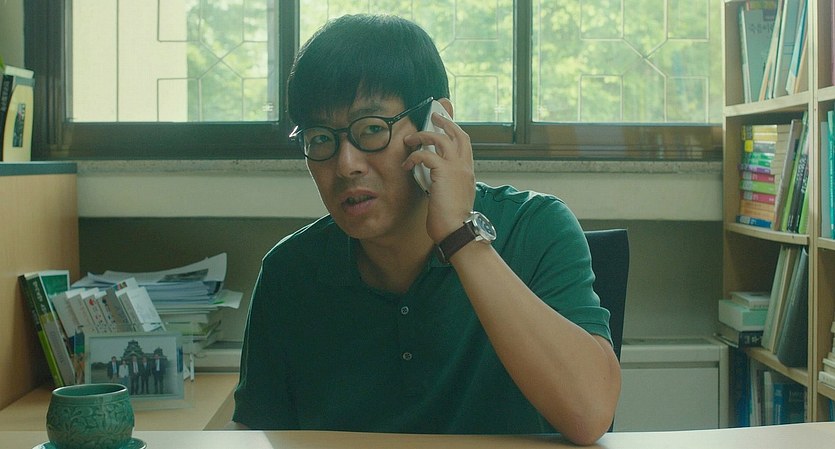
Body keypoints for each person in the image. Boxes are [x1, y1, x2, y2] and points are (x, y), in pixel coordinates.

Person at [231, 14, 620, 445]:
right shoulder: (289, 271)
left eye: (371, 129)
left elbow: (589, 415)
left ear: (436, 124)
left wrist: (460, 236)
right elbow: (256, 433)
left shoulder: (536, 228)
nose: (346, 165)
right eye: (321, 139)